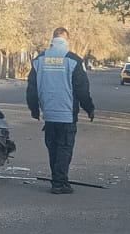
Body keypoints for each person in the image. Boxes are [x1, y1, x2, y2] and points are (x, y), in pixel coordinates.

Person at [26, 27, 95, 193]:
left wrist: (34, 109)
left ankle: (58, 179)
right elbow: (82, 89)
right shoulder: (74, 60)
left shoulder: (39, 60)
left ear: (53, 39)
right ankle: (59, 183)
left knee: (53, 148)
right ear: (66, 40)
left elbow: (32, 88)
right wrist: (89, 108)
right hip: (67, 113)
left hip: (48, 113)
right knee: (64, 148)